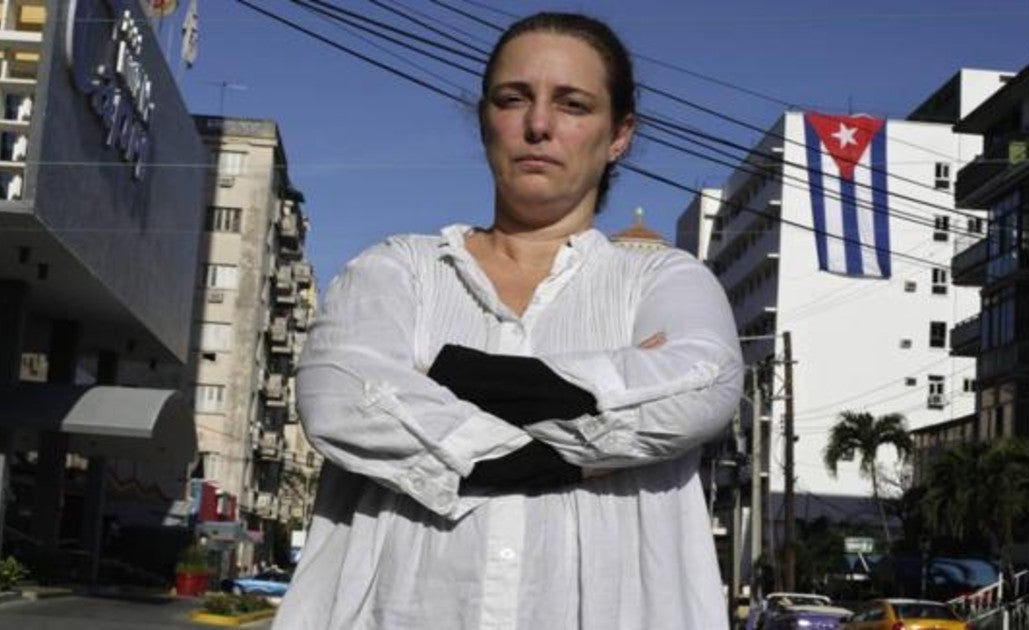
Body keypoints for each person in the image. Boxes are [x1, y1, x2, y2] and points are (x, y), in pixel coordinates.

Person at [274, 11, 743, 630]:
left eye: (572, 104)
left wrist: (442, 375)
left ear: (619, 134)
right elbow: (339, 396)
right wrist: (583, 451)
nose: (539, 125)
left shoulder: (663, 279)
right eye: (513, 98)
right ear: (484, 118)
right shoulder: (398, 269)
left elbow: (702, 384)